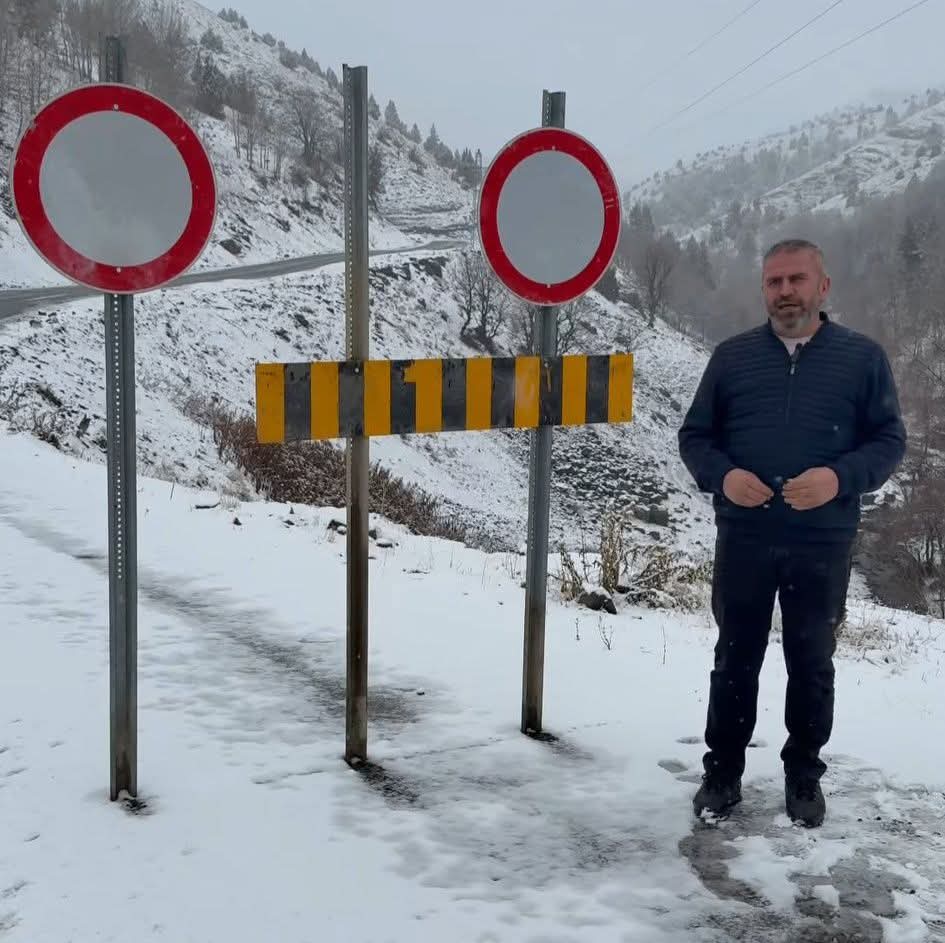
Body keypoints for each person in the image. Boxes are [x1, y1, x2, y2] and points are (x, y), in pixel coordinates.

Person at [677, 238, 906, 827]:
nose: (785, 292)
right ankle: (722, 773)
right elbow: (696, 437)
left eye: (796, 280)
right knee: (735, 659)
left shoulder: (862, 358)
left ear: (822, 286)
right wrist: (724, 478)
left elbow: (888, 441)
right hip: (745, 538)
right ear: (764, 289)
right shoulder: (731, 358)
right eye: (774, 282)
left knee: (812, 662)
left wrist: (838, 478)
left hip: (822, 540)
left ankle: (804, 775)